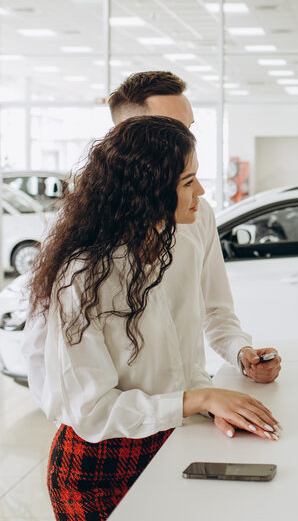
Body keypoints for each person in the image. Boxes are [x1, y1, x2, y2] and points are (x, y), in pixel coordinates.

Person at [30, 117, 280, 521]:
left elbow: (183, 359)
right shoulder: (85, 275)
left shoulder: (176, 246)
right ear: (147, 190)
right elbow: (91, 410)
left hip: (171, 440)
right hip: (100, 466)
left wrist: (214, 397)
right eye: (187, 182)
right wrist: (200, 398)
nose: (200, 192)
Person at [107, 71, 281, 384]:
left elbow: (216, 312)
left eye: (188, 128)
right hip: (122, 425)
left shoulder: (198, 215)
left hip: (190, 408)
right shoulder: (85, 233)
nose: (187, 142)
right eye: (170, 129)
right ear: (127, 138)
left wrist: (242, 353)